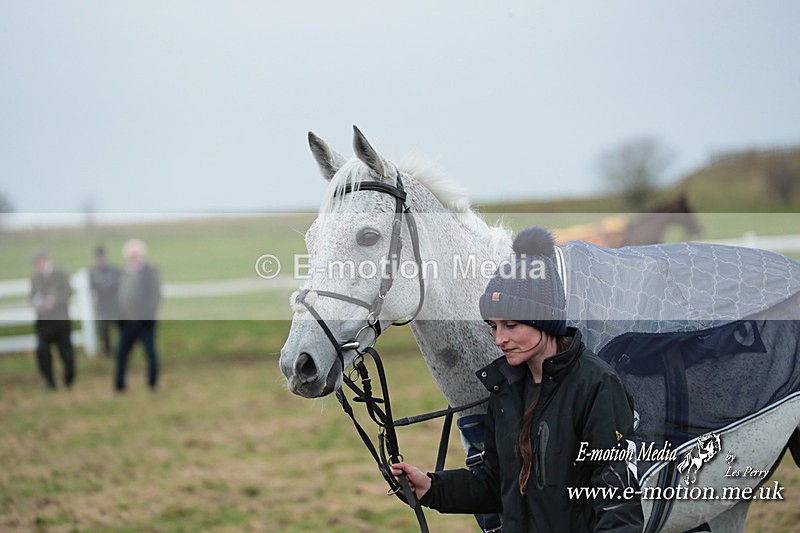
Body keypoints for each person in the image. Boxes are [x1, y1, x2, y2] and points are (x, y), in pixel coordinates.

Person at [390, 227, 643, 532]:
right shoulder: (506, 389)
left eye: (510, 325)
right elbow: (496, 483)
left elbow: (618, 503)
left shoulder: (597, 385)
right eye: (493, 326)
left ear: (544, 319)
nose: (499, 338)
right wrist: (431, 487)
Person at [115, 238, 162, 392]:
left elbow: (155, 296)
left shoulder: (150, 272)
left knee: (150, 353)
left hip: (144, 322)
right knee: (121, 354)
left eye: (136, 254)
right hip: (127, 322)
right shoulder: (123, 273)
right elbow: (119, 296)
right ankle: (120, 384)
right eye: (131, 254)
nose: (133, 257)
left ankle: (152, 383)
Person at [30, 249, 75, 390]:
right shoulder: (35, 278)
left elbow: (69, 291)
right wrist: (36, 303)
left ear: (45, 260)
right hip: (43, 323)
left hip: (60, 321)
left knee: (65, 352)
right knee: (42, 351)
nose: (36, 266)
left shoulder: (60, 273)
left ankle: (69, 379)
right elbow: (32, 295)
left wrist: (54, 301)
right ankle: (49, 381)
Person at [89, 244, 122, 357]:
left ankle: (121, 349)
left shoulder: (114, 269)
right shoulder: (93, 272)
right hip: (102, 304)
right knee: (104, 328)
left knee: (120, 327)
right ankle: (108, 350)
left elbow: (119, 283)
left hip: (115, 303)